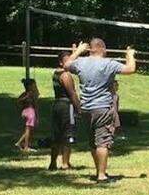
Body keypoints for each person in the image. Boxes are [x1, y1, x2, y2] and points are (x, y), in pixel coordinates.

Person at [65, 36, 137, 184]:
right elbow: (130, 69)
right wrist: (129, 55)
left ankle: (99, 171)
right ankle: (102, 176)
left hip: (86, 108)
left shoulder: (80, 62)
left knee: (93, 142)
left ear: (90, 49)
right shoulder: (108, 64)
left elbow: (66, 64)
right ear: (102, 49)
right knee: (102, 142)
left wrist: (78, 51)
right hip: (103, 108)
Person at [48, 49, 80, 171]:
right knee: (67, 134)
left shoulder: (55, 73)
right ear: (61, 62)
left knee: (57, 135)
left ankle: (52, 163)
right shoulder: (66, 75)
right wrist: (79, 108)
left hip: (56, 105)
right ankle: (65, 163)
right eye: (66, 61)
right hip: (66, 106)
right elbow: (72, 93)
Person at [15, 78, 40, 155]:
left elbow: (18, 101)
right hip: (31, 112)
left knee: (28, 130)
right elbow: (35, 105)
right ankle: (25, 146)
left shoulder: (24, 94)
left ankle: (19, 143)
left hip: (24, 112)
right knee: (29, 130)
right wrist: (37, 116)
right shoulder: (32, 94)